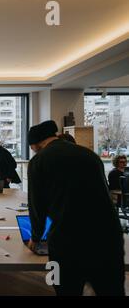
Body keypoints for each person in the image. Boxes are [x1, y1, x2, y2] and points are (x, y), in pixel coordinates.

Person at [27, 120, 125, 296]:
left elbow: (36, 205)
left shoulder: (39, 161)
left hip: (68, 241)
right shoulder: (89, 155)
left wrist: (35, 237)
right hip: (108, 238)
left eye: (32, 147)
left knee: (66, 291)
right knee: (111, 291)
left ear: (36, 143)